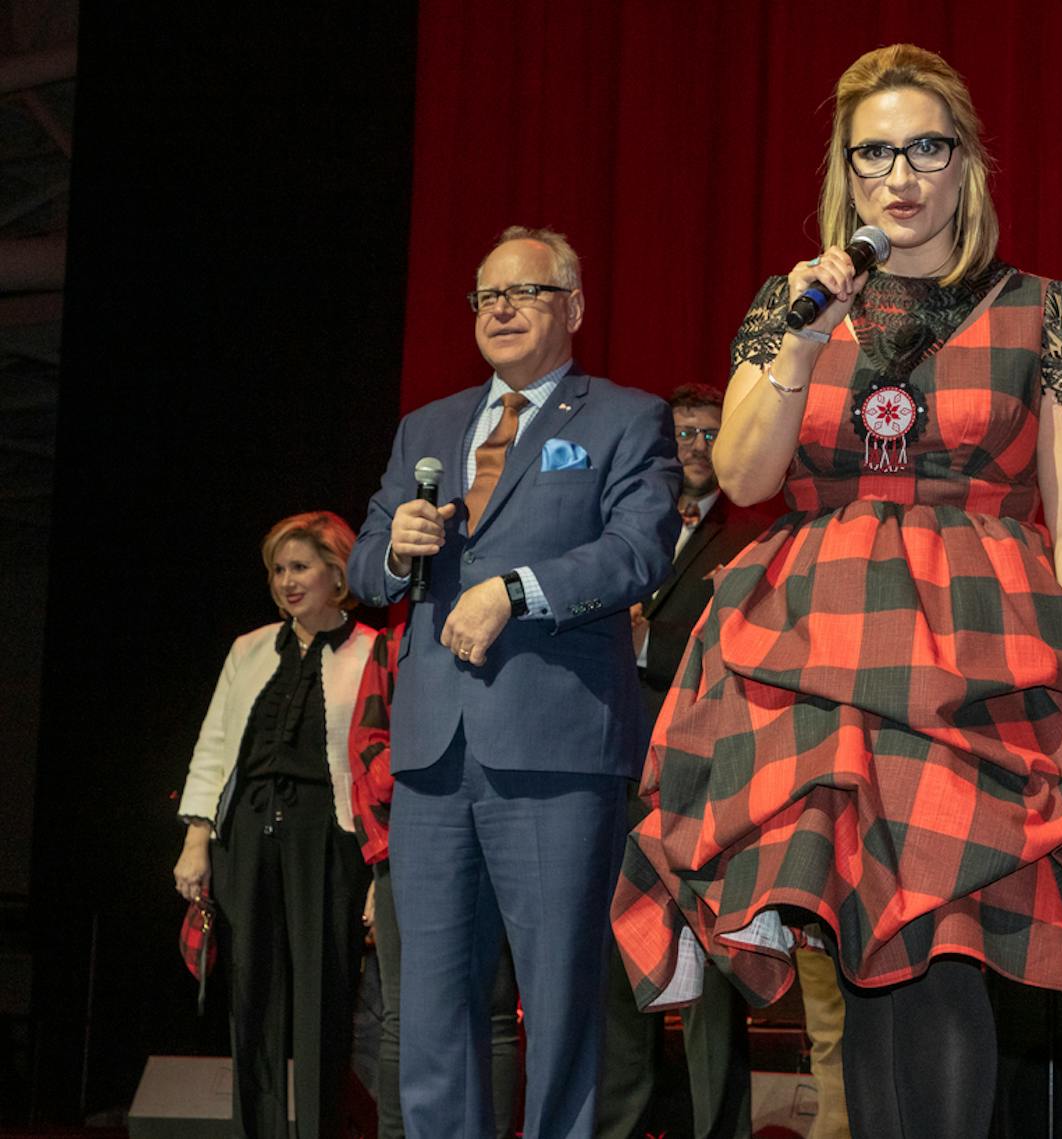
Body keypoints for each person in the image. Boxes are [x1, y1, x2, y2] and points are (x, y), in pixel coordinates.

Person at [613, 44, 1062, 1138]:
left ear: (966, 162)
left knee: (936, 945)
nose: (901, 173)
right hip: (817, 645)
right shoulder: (787, 305)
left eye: (925, 147)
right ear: (844, 172)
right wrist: (794, 336)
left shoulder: (1044, 310)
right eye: (873, 151)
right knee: (873, 960)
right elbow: (744, 477)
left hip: (979, 646)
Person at [347, 226, 681, 1139]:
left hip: (557, 748)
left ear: (571, 308)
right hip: (431, 752)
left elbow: (639, 549)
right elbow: (367, 568)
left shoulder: (624, 416)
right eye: (485, 295)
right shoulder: (430, 425)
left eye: (523, 292)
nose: (498, 309)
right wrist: (392, 550)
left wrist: (516, 590)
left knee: (563, 998)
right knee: (430, 1006)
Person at [173, 511, 377, 1138]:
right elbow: (213, 745)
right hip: (250, 828)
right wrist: (196, 839)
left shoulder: (374, 648)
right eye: (278, 570)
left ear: (337, 572)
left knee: (323, 995)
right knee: (252, 997)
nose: (287, 581)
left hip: (329, 834)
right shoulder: (249, 648)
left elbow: (379, 764)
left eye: (301, 567)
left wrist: (379, 867)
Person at [598, 384, 766, 1139]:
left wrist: (641, 643)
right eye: (683, 432)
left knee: (713, 986)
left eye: (710, 432)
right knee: (614, 967)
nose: (696, 446)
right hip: (614, 767)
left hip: (707, 779)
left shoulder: (757, 536)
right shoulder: (615, 521)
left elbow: (747, 650)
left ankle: (715, 1130)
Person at [347, 624, 522, 1139]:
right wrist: (388, 850)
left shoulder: (509, 617)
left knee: (493, 1010)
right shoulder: (396, 638)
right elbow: (365, 750)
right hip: (409, 837)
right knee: (407, 1013)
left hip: (499, 831)